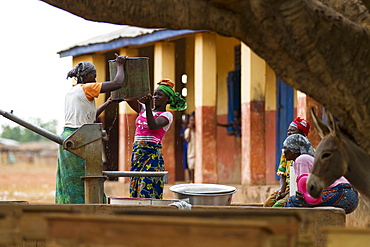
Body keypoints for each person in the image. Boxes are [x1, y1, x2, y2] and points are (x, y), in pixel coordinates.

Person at [56, 54, 127, 204]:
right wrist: (120, 64)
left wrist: (108, 102)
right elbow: (117, 83)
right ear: (86, 75)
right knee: (87, 177)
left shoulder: (72, 91)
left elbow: (90, 115)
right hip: (81, 138)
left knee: (70, 180)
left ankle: (69, 208)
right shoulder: (87, 88)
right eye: (94, 76)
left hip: (67, 136)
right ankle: (88, 207)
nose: (95, 80)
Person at [127, 79, 187, 199]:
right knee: (135, 186)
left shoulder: (167, 115)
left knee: (148, 188)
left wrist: (148, 106)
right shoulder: (143, 108)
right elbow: (128, 98)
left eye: (159, 95)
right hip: (137, 153)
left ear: (168, 99)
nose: (155, 97)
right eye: (154, 94)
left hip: (152, 155)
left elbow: (153, 125)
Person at [283, 134, 359, 214]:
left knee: (292, 201)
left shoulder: (302, 159)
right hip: (349, 195)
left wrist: (300, 196)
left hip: (342, 193)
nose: (283, 151)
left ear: (293, 150)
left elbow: (305, 191)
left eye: (285, 148)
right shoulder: (303, 160)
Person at [264, 117, 311, 207]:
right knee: (268, 204)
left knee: (278, 206)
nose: (289, 133)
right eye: (288, 131)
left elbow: (304, 182)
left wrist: (286, 194)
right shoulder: (286, 152)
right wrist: (281, 191)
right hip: (286, 188)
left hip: (299, 189)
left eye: (292, 131)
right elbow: (283, 175)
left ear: (301, 134)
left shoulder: (308, 154)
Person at [184, 111, 195, 183]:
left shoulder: (198, 130)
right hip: (191, 150)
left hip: (196, 151)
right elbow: (188, 139)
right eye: (191, 120)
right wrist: (190, 129)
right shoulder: (188, 130)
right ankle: (191, 179)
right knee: (190, 165)